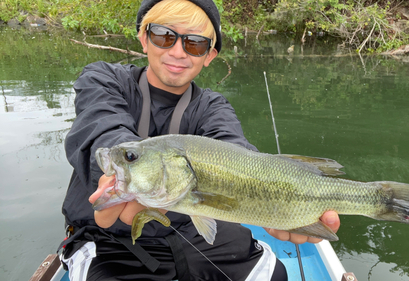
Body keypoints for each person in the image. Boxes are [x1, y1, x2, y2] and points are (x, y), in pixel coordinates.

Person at [59, 0, 341, 280]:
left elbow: (240, 156)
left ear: (209, 55)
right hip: (108, 239)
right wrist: (132, 166)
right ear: (144, 39)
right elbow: (98, 130)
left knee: (273, 275)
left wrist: (274, 204)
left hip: (189, 226)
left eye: (195, 43)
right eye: (163, 36)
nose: (178, 51)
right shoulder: (102, 79)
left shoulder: (214, 108)